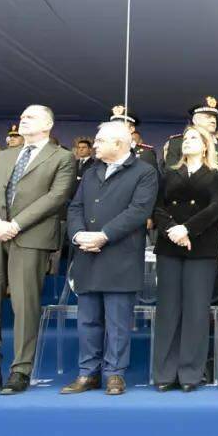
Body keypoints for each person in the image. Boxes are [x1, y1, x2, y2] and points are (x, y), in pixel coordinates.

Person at [0, 105, 76, 395]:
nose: (23, 120)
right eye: (22, 116)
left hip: (29, 236)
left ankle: (20, 371)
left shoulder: (62, 157)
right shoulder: (4, 155)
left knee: (24, 306)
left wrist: (16, 224)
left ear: (48, 124)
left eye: (31, 117)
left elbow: (57, 196)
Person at [61, 122, 158, 396]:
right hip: (87, 253)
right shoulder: (92, 172)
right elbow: (75, 207)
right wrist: (79, 235)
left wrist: (103, 235)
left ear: (119, 144)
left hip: (120, 255)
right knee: (88, 319)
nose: (95, 145)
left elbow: (139, 211)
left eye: (101, 140)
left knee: (117, 322)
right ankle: (87, 373)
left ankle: (114, 374)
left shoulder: (144, 172)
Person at [151, 125, 218, 392]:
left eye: (194, 138)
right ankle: (164, 373)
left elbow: (217, 208)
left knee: (196, 311)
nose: (187, 142)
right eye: (185, 139)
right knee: (168, 310)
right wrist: (173, 229)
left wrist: (188, 229)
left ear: (206, 145)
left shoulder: (217, 175)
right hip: (170, 245)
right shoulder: (169, 173)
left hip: (202, 247)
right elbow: (157, 206)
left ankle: (190, 374)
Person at [163, 96, 218, 172]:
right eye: (208, 117)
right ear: (195, 120)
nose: (213, 120)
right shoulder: (178, 142)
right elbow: (170, 172)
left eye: (214, 117)